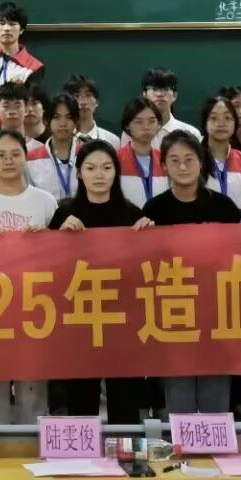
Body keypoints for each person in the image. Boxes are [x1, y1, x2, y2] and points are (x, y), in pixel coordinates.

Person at [47, 140, 150, 421]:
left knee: (124, 398)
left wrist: (149, 236)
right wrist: (56, 236)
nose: (99, 175)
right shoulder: (64, 214)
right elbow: (47, 268)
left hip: (122, 319)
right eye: (91, 168)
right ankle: (84, 449)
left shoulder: (133, 214)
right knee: (81, 400)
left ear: (116, 172)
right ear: (80, 173)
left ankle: (126, 447)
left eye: (106, 167)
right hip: (79, 317)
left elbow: (146, 269)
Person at [144, 131, 241, 417]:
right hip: (175, 316)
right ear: (164, 166)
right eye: (174, 160)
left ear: (201, 163)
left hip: (216, 316)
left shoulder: (224, 207)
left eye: (189, 159)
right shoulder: (154, 210)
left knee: (215, 407)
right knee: (179, 403)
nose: (183, 166)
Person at [0, 130, 57, 424]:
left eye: (15, 154)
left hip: (34, 309)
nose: (8, 161)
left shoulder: (45, 202)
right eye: (1, 155)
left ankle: (33, 444)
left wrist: (45, 239)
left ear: (26, 158)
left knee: (33, 389)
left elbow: (60, 258)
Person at [29, 93, 83, 199]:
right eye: (56, 117)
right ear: (47, 120)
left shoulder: (87, 155)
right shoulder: (30, 158)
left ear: (76, 121)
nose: (63, 123)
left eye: (69, 117)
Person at [115, 95, 166, 207]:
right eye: (139, 122)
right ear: (127, 125)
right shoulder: (115, 159)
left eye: (152, 121)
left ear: (158, 124)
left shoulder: (165, 160)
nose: (146, 127)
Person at [140, 67, 196, 143]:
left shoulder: (190, 133)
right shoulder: (133, 133)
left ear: (174, 95)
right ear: (145, 95)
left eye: (166, 89)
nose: (159, 94)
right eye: (154, 89)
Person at [65, 73, 117, 147]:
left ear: (97, 102)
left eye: (88, 95)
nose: (83, 102)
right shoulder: (59, 140)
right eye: (77, 96)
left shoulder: (112, 141)